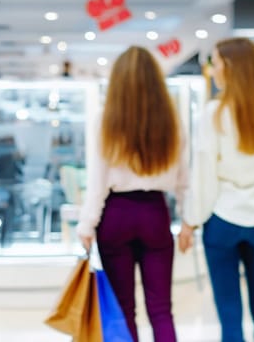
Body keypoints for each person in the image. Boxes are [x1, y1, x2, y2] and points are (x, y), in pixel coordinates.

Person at [179, 37, 254, 342]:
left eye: (215, 63)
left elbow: (204, 175)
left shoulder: (215, 113)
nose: (212, 70)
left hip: (223, 220)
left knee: (230, 318)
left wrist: (190, 221)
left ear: (230, 67)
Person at [77, 46, 188, 342]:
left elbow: (97, 179)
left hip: (116, 214)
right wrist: (189, 220)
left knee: (123, 308)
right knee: (162, 309)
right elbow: (183, 178)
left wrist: (86, 223)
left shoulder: (105, 119)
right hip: (155, 212)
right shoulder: (172, 119)